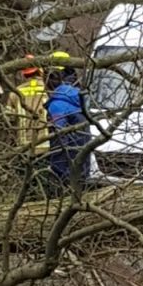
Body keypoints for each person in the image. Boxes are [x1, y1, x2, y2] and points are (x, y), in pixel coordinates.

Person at [45, 53, 91, 193]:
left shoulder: (57, 105)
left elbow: (59, 137)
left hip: (66, 168)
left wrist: (56, 169)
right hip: (82, 164)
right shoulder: (77, 97)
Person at [4, 55, 49, 192]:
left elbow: (8, 118)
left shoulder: (16, 92)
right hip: (47, 143)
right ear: (40, 71)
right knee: (45, 179)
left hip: (24, 145)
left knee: (28, 181)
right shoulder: (49, 89)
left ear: (24, 73)